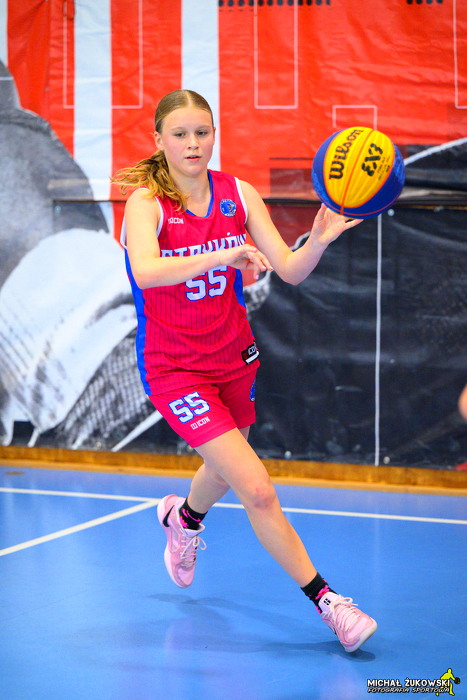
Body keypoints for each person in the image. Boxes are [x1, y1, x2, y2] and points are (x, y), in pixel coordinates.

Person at [113, 88, 377, 653]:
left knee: (226, 466)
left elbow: (290, 269)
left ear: (214, 135)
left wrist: (318, 240)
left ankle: (184, 520)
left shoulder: (239, 193)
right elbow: (148, 271)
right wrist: (223, 254)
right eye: (180, 134)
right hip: (175, 368)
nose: (193, 143)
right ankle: (331, 604)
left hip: (232, 354)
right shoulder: (146, 203)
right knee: (256, 487)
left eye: (202, 132)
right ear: (159, 140)